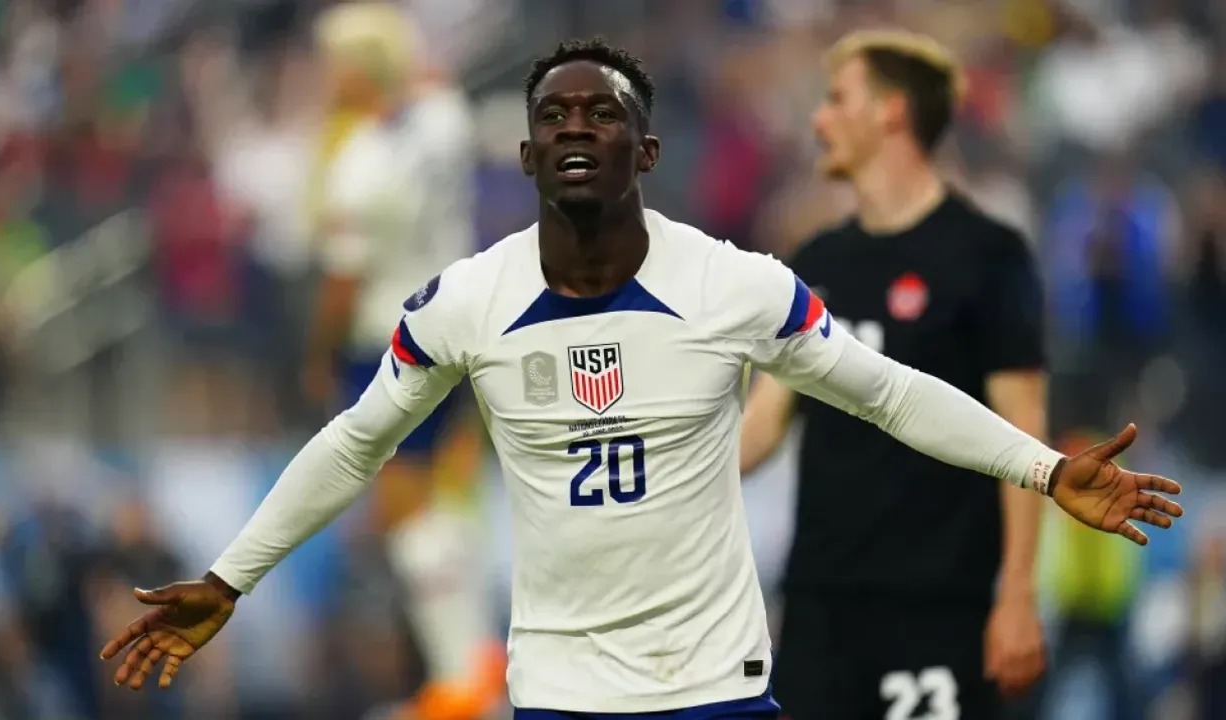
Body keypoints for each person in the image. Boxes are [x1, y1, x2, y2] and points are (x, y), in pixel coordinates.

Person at [99, 38, 1184, 720]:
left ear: (648, 151)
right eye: (553, 118)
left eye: (604, 113)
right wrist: (229, 579)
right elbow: (352, 443)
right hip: (559, 694)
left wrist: (1045, 471)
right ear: (526, 158)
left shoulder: (734, 286)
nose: (576, 126)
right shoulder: (463, 304)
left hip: (715, 688)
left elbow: (888, 392)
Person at [737, 30, 1055, 717]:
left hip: (939, 606)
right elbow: (761, 425)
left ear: (891, 111)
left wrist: (1018, 594)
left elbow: (1024, 432)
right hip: (822, 607)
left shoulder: (989, 256)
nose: (819, 119)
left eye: (837, 99)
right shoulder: (817, 262)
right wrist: (652, 471)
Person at [301, 4, 501, 719]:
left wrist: (318, 352)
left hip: (387, 340)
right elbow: (432, 84)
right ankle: (469, 664)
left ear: (359, 69)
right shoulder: (443, 118)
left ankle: (463, 676)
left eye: (334, 63)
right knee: (443, 506)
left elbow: (343, 278)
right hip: (454, 325)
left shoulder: (362, 162)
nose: (325, 77)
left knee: (405, 510)